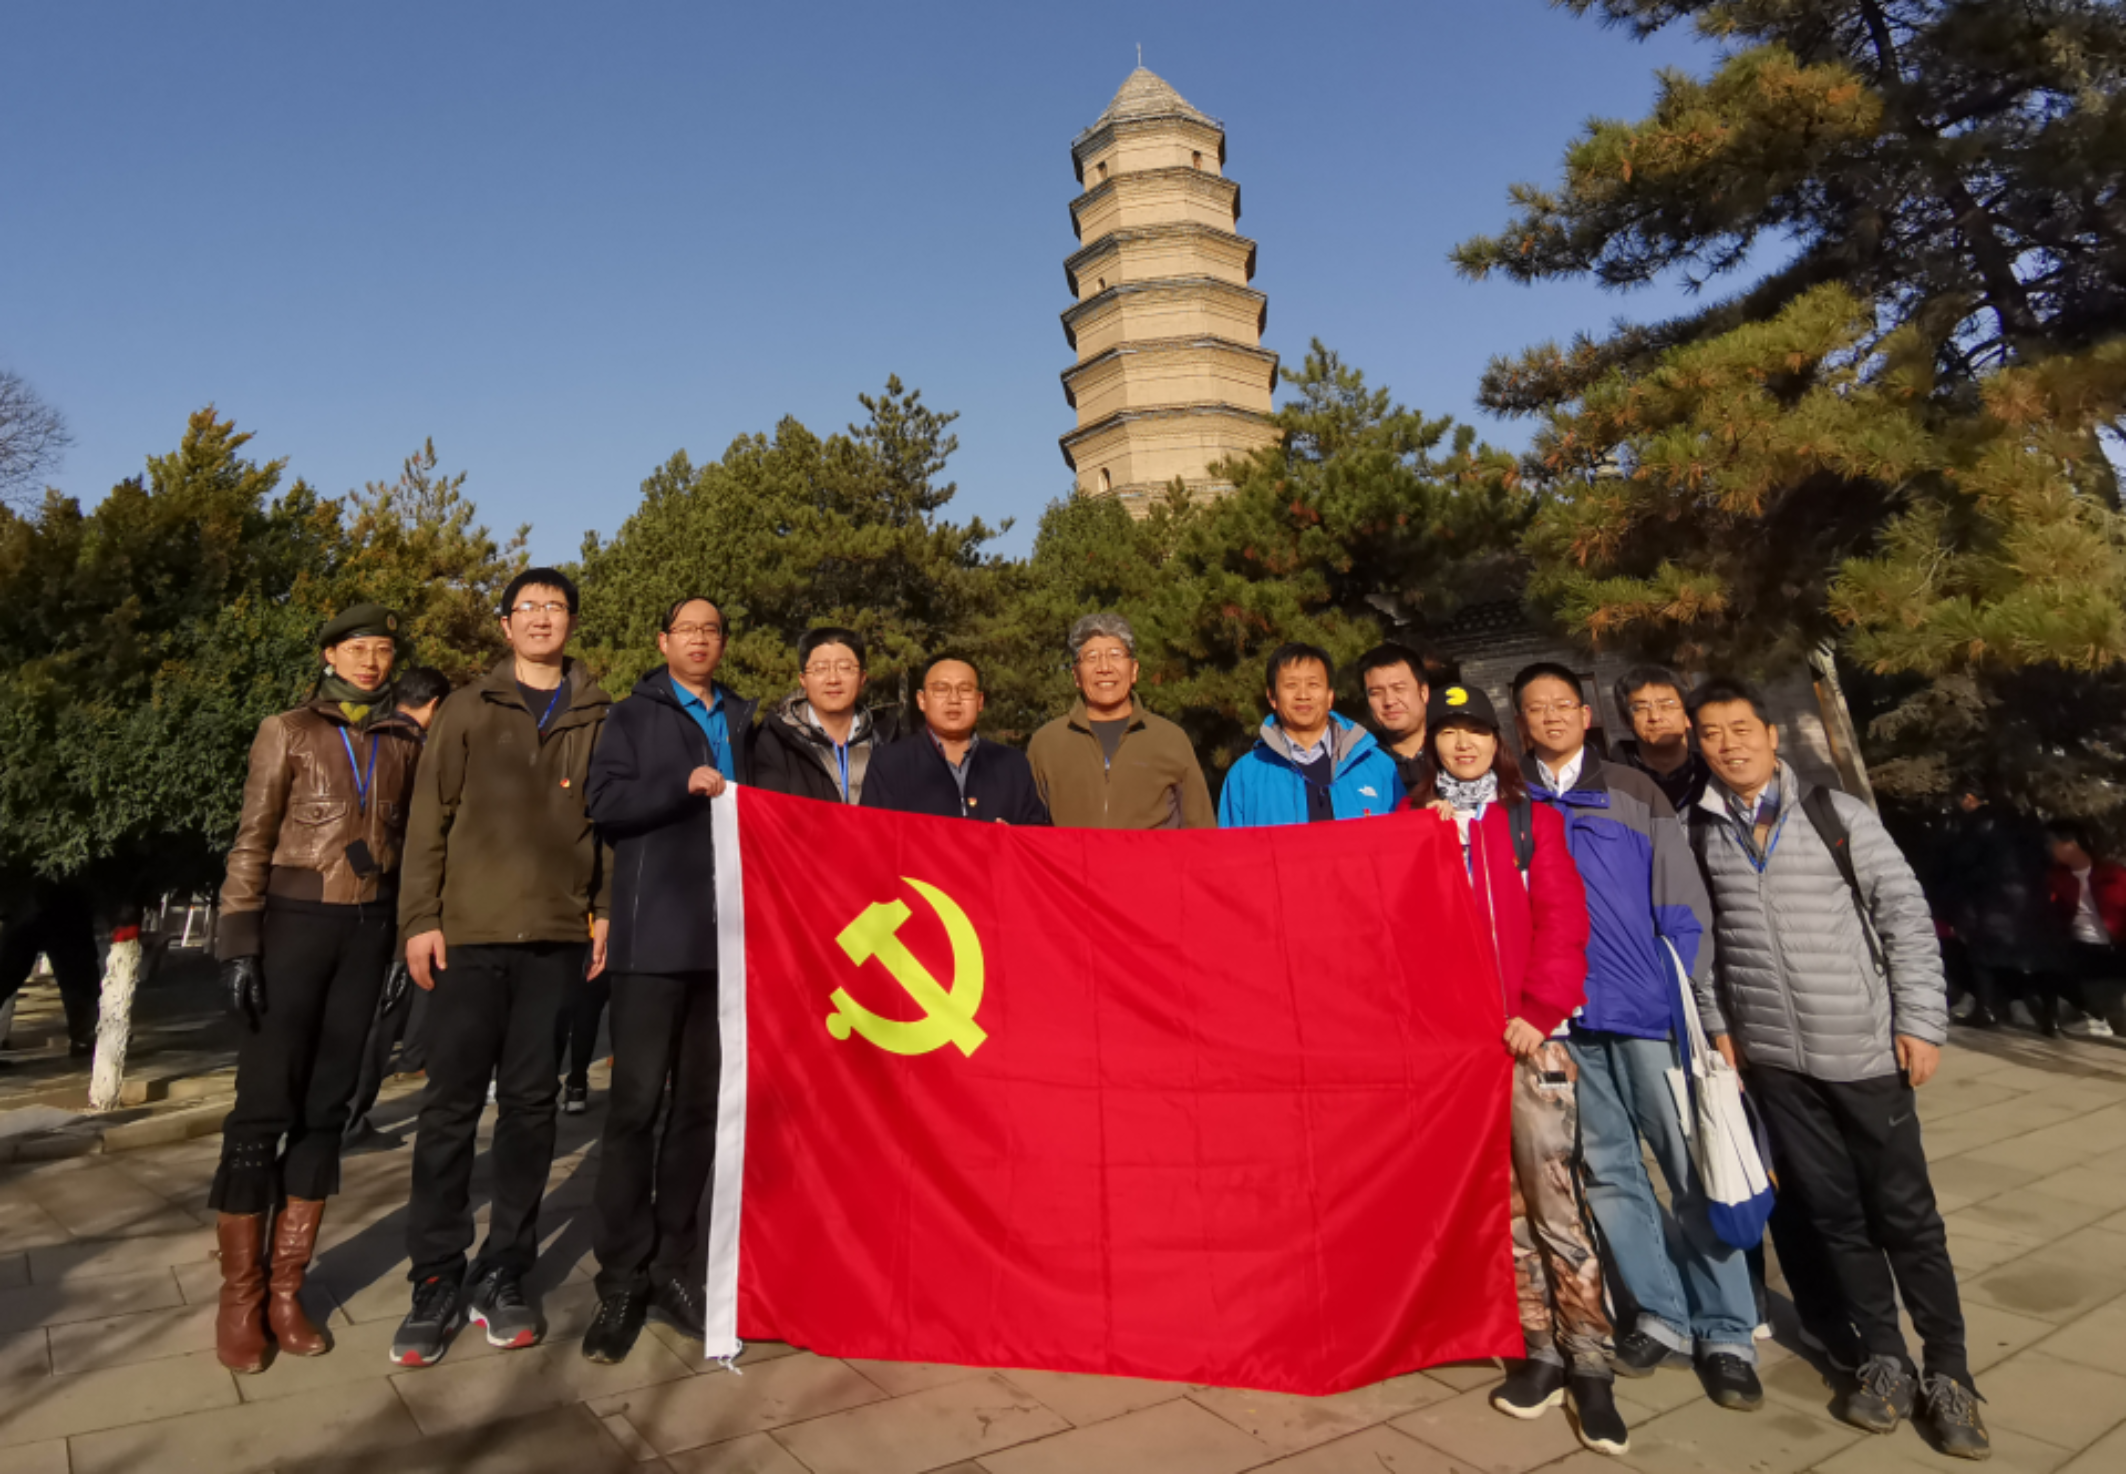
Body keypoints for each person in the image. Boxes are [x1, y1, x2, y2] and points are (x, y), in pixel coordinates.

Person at [1689, 677, 1987, 1458]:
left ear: (1770, 734)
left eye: (1741, 727)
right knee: (1833, 1215)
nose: (1728, 743)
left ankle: (1950, 1370)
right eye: (1712, 732)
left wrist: (1920, 1020)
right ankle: (1884, 1356)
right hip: (1777, 1063)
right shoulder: (1703, 829)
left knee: (1908, 1217)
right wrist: (1721, 1024)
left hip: (1862, 1051)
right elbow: (1704, 943)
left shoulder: (1834, 815)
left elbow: (1905, 916)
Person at [1511, 661, 1762, 1410]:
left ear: (1586, 715)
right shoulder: (1515, 801)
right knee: (1610, 1171)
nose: (1551, 717)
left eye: (1563, 704)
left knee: (1688, 1166)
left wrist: (1687, 998)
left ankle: (1727, 1330)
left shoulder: (1631, 790)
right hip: (1567, 1020)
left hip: (1647, 1011)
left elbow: (1681, 901)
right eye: (1536, 708)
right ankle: (1659, 1313)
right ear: (1521, 723)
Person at [393, 569, 613, 1367]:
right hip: (469, 936)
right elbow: (429, 817)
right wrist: (419, 918)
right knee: (449, 1108)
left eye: (555, 607)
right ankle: (434, 1274)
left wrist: (604, 908)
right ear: (505, 624)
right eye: (529, 607)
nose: (542, 618)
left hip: (555, 936)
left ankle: (505, 1267)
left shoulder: (598, 713)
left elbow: (609, 823)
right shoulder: (467, 707)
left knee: (530, 1107)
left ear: (572, 621)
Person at [1411, 684, 1627, 1456]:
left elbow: (1564, 923)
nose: (1462, 744)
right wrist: (1424, 846)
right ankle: (1538, 1349)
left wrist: (1540, 1009)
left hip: (1531, 1041)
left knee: (1557, 1202)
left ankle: (1591, 1358)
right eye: (1448, 732)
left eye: (1475, 730)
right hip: (1459, 1054)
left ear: (1496, 740)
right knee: (1501, 1209)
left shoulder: (1528, 818)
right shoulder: (1413, 823)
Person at [207, 604, 424, 1373]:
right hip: (292, 927)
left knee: (326, 1109)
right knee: (262, 1108)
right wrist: (239, 941)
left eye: (384, 649)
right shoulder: (289, 730)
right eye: (358, 647)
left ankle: (286, 1290)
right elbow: (252, 838)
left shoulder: (405, 741)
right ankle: (240, 1297)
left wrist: (403, 934)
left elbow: (412, 848)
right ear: (330, 654)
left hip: (366, 935)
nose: (371, 660)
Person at [575, 595, 753, 1363]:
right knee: (635, 1110)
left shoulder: (745, 718)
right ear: (663, 641)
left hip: (729, 943)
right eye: (688, 630)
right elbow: (604, 801)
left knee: (699, 1111)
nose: (700, 640)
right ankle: (621, 1277)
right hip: (653, 939)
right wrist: (680, 783)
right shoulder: (632, 715)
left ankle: (674, 1262)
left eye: (712, 630)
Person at [343, 665, 452, 1146]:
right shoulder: (416, 750)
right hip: (399, 894)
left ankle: (335, 1115)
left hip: (354, 892)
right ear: (435, 705)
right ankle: (349, 1118)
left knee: (357, 1010)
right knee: (382, 1009)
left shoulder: (365, 738)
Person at [1028, 612, 1213, 829]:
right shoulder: (1047, 743)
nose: (1104, 668)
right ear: (1076, 675)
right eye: (1092, 658)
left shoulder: (1170, 739)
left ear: (1134, 670)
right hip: (1070, 854)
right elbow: (1027, 832)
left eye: (1115, 655)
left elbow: (1201, 831)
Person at [1218, 643, 1403, 827]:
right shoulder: (1245, 776)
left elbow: (1403, 837)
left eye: (1313, 684)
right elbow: (1230, 844)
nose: (1303, 695)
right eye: (1291, 685)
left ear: (1330, 696)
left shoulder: (1378, 766)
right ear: (1272, 697)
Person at [861, 655, 1049, 824]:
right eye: (941, 689)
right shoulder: (888, 764)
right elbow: (872, 837)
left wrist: (1012, 840)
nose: (954, 699)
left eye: (965, 690)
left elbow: (1038, 837)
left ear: (980, 701)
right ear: (921, 700)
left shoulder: (1012, 765)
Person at [1942, 791, 2072, 1032]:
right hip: (2034, 898)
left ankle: (1985, 1009)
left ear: (1971, 798)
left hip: (1995, 897)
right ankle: (2051, 1017)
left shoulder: (1981, 825)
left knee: (1981, 954)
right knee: (2044, 958)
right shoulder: (2030, 826)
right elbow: (2048, 859)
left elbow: (1963, 861)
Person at [754, 626, 897, 804]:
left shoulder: (888, 739)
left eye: (845, 668)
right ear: (803, 679)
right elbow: (771, 811)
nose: (833, 679)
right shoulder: (774, 741)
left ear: (862, 677)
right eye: (820, 669)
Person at [0, 879, 100, 1058]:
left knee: (78, 976)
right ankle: (84, 1036)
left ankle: (85, 1037)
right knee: (77, 975)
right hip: (41, 904)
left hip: (56, 905)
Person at [2046, 821, 2126, 1037]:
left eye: (2052, 843)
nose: (2049, 849)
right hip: (2079, 949)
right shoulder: (2056, 877)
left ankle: (2099, 1020)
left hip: (2114, 950)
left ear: (2071, 844)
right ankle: (2093, 1018)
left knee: (2115, 1009)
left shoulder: (2114, 874)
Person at [1611, 664, 1708, 813]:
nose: (1655, 717)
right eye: (1641, 708)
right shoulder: (1609, 784)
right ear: (1626, 720)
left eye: (1667, 706)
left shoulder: (1715, 777)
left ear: (1688, 716)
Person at [1358, 642, 1433, 794]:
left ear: (1424, 693)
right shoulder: (1359, 763)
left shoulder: (1455, 752)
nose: (1389, 701)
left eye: (1399, 689)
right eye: (1376, 693)